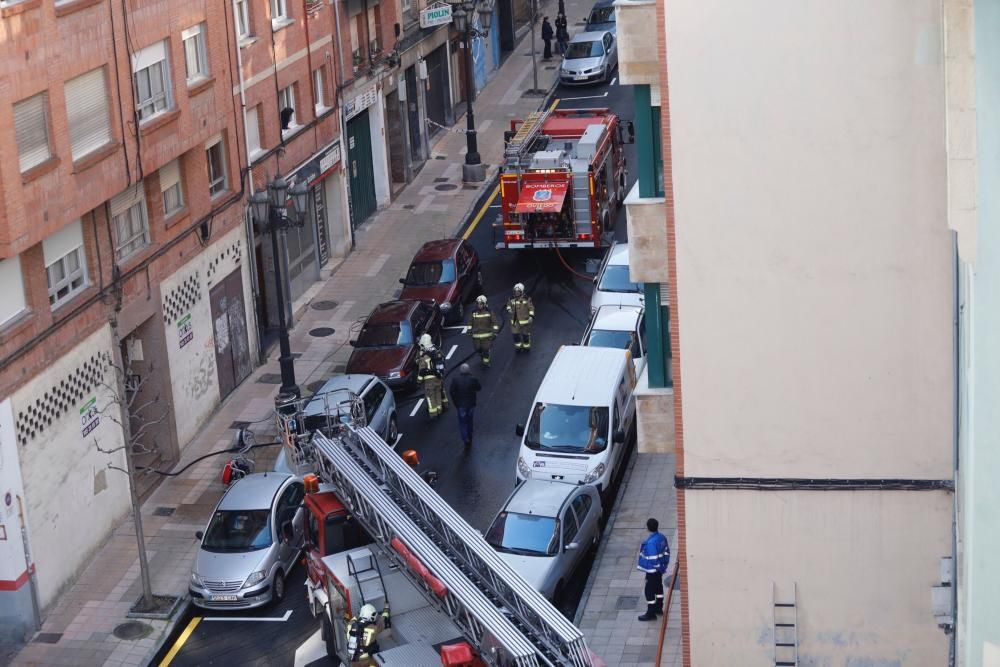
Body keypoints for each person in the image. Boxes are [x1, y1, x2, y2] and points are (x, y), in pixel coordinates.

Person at [636, 517, 670, 621]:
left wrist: (658, 567)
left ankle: (651, 613)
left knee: (649, 591)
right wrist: (663, 567)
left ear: (648, 528)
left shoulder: (651, 543)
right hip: (658, 570)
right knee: (658, 588)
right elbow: (666, 552)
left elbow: (653, 559)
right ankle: (659, 608)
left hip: (652, 571)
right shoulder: (662, 537)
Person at [448, 363, 481, 447]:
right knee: (470, 421)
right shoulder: (473, 379)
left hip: (461, 405)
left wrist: (456, 403)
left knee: (462, 423)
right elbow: (479, 388)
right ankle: (470, 436)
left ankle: (465, 438)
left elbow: (452, 392)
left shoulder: (455, 380)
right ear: (468, 370)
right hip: (471, 404)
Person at [416, 333, 448, 418]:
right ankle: (440, 409)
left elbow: (421, 370)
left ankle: (433, 413)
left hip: (429, 381)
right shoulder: (436, 350)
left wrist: (418, 381)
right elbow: (443, 358)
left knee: (430, 397)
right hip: (438, 377)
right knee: (438, 393)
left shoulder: (424, 356)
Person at [469, 295, 499, 367]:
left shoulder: (489, 312)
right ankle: (482, 357)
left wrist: (495, 333)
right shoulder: (473, 312)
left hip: (487, 336)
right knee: (478, 349)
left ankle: (486, 363)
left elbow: (495, 323)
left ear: (484, 304)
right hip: (476, 336)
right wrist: (469, 330)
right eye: (478, 304)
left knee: (485, 349)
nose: (479, 305)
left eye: (481, 304)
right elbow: (470, 322)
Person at [506, 283, 535, 351]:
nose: (517, 293)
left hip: (525, 321)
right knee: (515, 335)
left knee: (525, 335)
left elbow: (531, 308)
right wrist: (509, 309)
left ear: (522, 291)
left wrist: (531, 316)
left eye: (518, 292)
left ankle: (526, 346)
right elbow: (508, 305)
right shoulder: (511, 299)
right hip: (515, 321)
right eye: (515, 291)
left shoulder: (527, 299)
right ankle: (518, 347)